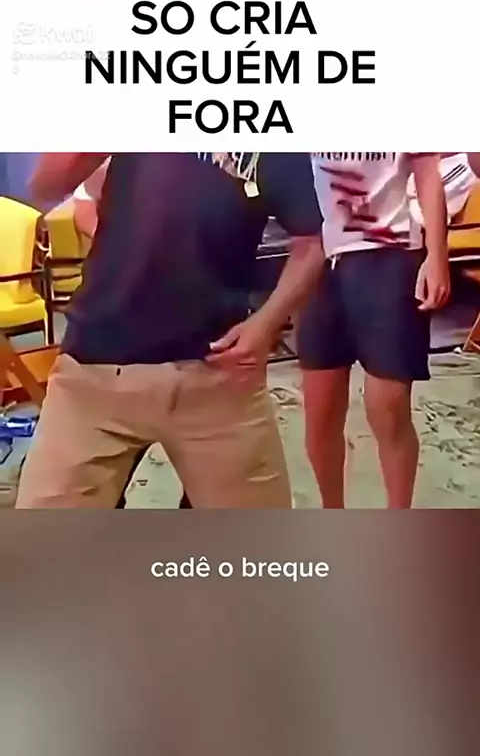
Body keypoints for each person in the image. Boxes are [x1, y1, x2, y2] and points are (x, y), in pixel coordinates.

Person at [16, 152, 324, 509]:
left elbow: (313, 240)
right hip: (93, 373)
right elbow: (45, 188)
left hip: (217, 377)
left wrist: (266, 323)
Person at [297, 152, 450, 509]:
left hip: (391, 254)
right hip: (323, 258)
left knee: (388, 408)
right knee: (319, 412)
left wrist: (437, 256)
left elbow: (427, 173)